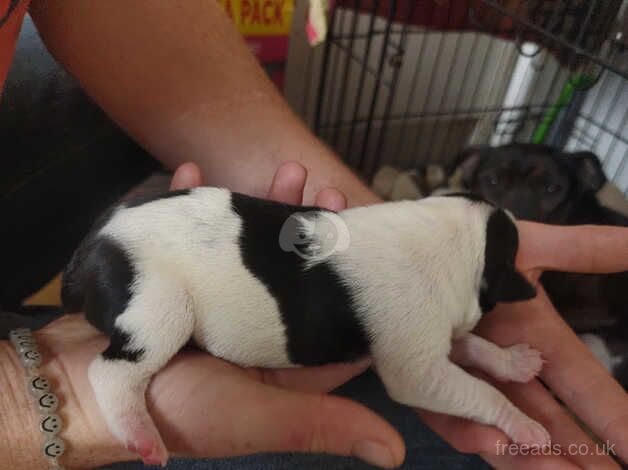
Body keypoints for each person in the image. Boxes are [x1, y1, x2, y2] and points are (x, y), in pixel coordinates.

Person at [1, 1, 628, 469]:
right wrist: (33, 407)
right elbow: (419, 370)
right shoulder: (418, 292)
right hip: (152, 261)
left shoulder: (411, 257)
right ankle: (118, 377)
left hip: (180, 239)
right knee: (417, 434)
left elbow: (447, 333)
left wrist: (497, 358)